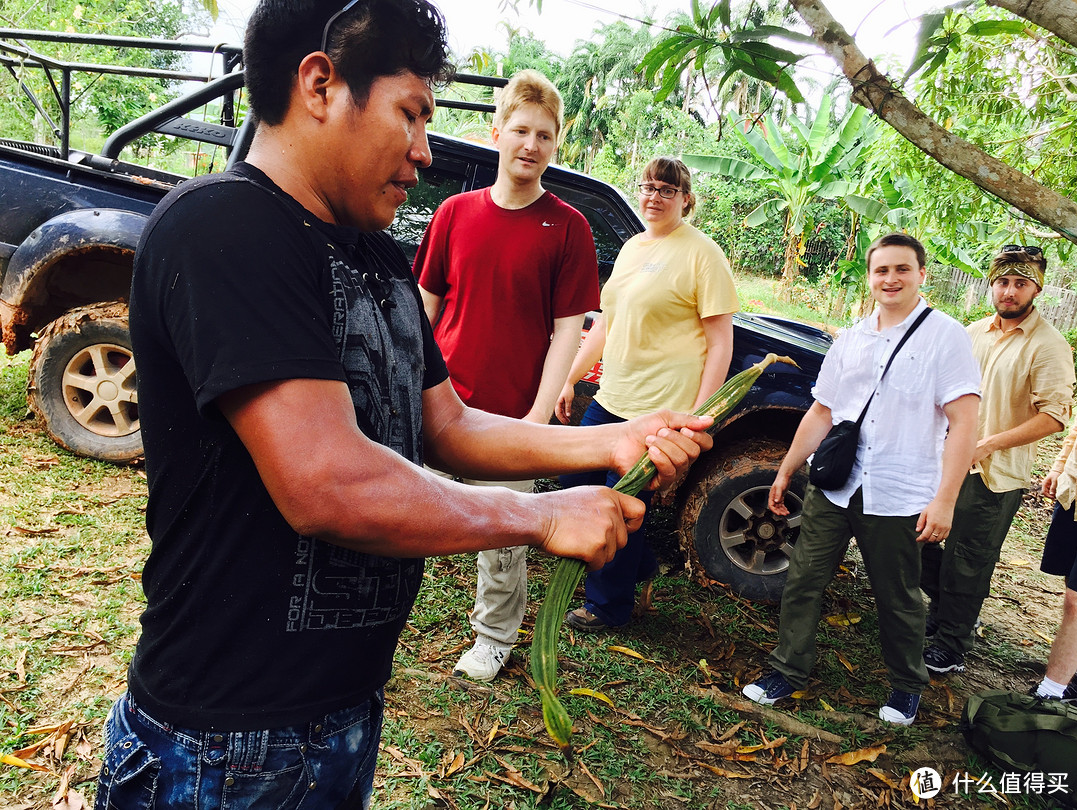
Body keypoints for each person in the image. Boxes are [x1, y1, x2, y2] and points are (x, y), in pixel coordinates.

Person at [92, 3, 715, 808]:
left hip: (341, 713)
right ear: (320, 84)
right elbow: (329, 484)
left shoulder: (379, 258)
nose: (425, 151)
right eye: (410, 114)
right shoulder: (224, 228)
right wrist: (543, 518)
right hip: (221, 739)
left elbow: (446, 425)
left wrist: (612, 442)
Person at [741, 232, 981, 727]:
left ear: (921, 275)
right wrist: (787, 468)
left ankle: (907, 685)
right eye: (881, 271)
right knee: (804, 579)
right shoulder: (852, 338)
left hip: (899, 490)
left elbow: (965, 422)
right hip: (838, 485)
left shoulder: (946, 336)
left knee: (897, 594)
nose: (890, 279)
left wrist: (945, 500)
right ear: (870, 278)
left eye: (901, 269)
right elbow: (823, 411)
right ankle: (788, 670)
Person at [413, 69, 599, 682]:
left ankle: (494, 637)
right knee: (404, 511)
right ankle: (380, 615)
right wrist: (406, 382)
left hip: (510, 415)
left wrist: (538, 419)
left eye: (544, 135)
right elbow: (425, 305)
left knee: (502, 540)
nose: (531, 144)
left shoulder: (568, 227)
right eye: (520, 130)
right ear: (496, 133)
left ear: (555, 144)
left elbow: (567, 331)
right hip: (438, 401)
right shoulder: (454, 213)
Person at [554, 156, 739, 632]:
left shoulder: (702, 253)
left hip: (660, 409)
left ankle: (607, 608)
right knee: (573, 485)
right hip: (612, 399)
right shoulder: (634, 247)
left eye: (667, 190)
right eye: (649, 186)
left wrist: (701, 415)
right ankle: (639, 569)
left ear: (685, 199)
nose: (655, 196)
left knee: (620, 504)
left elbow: (720, 341)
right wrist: (570, 376)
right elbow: (607, 321)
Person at [921, 245, 1074, 675]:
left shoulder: (1049, 346)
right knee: (916, 536)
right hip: (944, 460)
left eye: (1020, 284)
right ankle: (946, 609)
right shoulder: (971, 333)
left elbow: (1054, 417)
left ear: (1036, 289)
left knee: (968, 559)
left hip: (995, 475)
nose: (1009, 291)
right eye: (1003, 282)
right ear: (992, 284)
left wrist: (987, 444)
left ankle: (951, 642)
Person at [1032, 417, 1077, 702]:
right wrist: (1059, 467)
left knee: (1076, 601)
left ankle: (1050, 693)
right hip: (1073, 493)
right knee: (1070, 582)